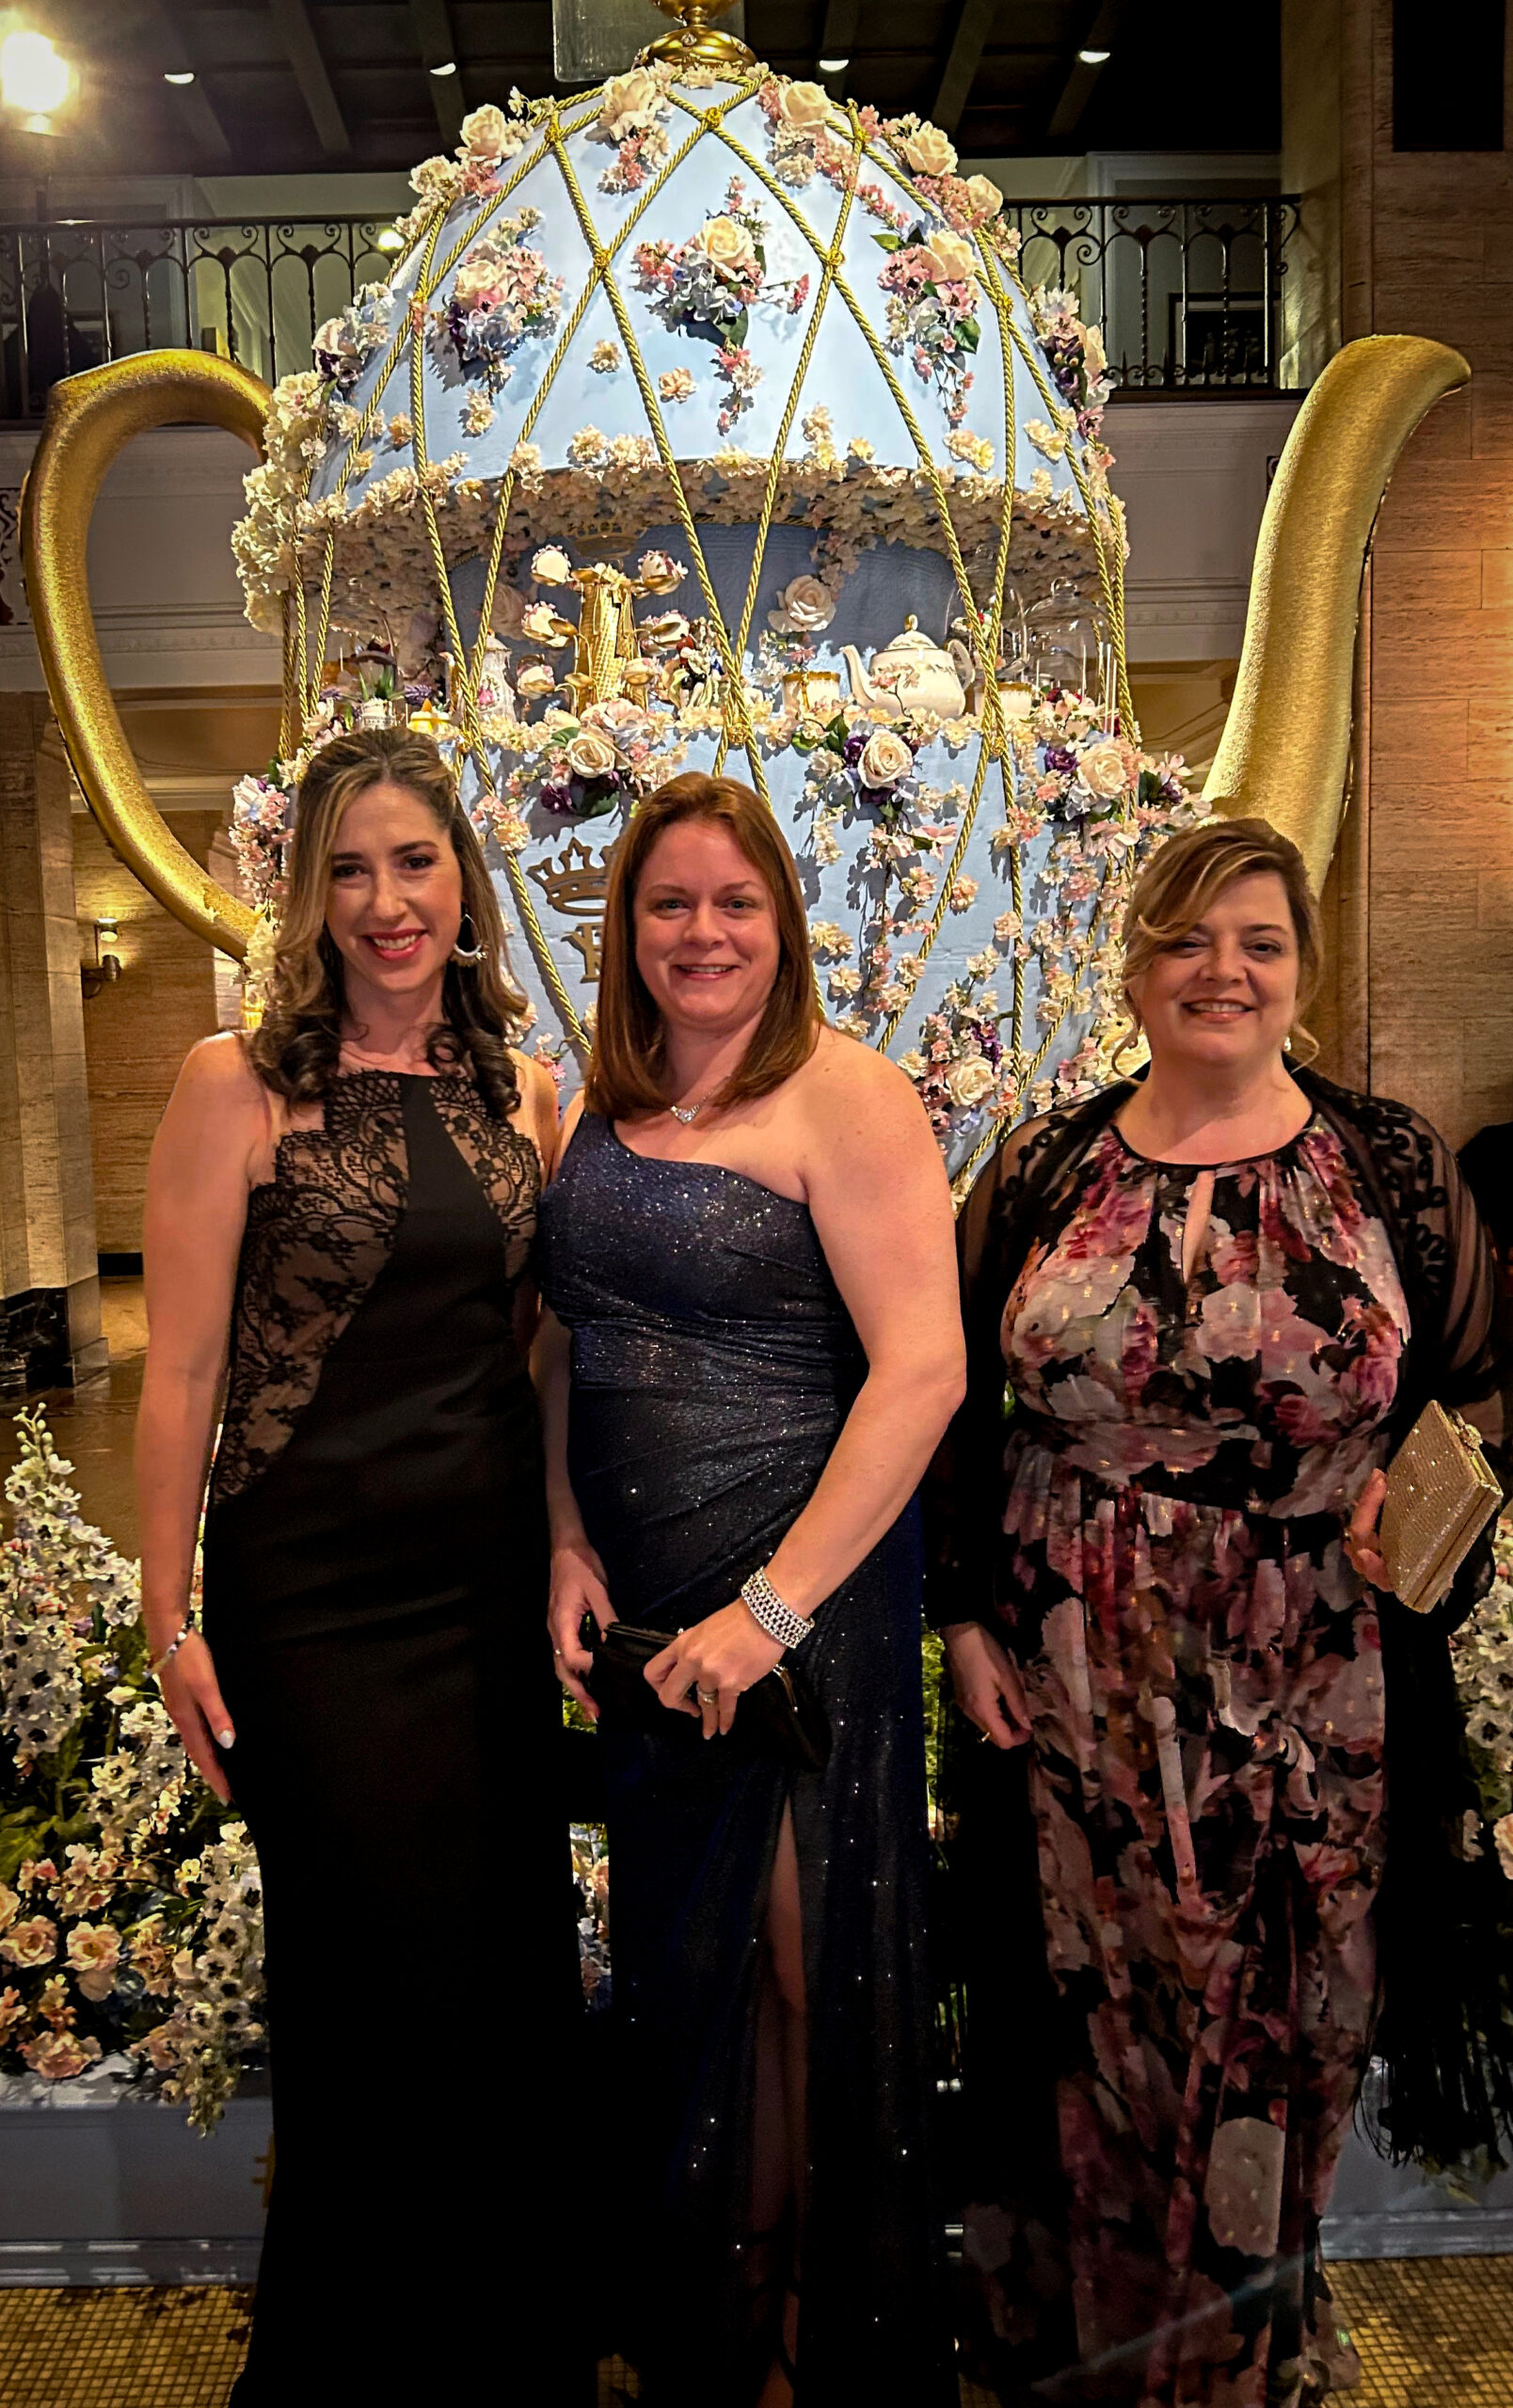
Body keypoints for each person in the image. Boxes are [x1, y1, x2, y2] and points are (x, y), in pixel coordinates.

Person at [927, 814, 1511, 2405]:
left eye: (1258, 941)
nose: (1222, 971)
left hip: (1321, 1669)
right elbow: (954, 1409)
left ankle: (1249, 2358)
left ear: (1302, 971)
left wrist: (1427, 1483)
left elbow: (1484, 1387)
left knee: (1291, 2028)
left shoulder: (1388, 1163)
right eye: (1188, 938)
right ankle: (1093, 2362)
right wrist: (964, 1619)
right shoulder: (1044, 1165)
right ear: (1132, 965)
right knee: (1093, 2035)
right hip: (1075, 1670)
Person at [136, 728, 584, 2400]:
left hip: (475, 1590)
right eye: (349, 868)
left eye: (414, 863)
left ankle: (498, 2356)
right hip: (310, 1602)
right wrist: (166, 1612)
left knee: (495, 1978)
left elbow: (538, 1357)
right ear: (306, 894)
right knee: (366, 1987)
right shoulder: (231, 1085)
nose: (386, 903)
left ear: (462, 879)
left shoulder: (523, 1091)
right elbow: (182, 1370)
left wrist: (557, 1543)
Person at [534, 773, 964, 2407]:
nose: (701, 932)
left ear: (783, 920)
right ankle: (712, 2328)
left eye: (733, 901)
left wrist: (770, 1608)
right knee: (684, 1971)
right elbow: (568, 1343)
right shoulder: (603, 1111)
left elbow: (922, 1368)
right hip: (651, 1629)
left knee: (801, 1964)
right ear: (624, 929)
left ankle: (811, 2340)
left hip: (802, 1610)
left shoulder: (843, 1096)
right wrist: (564, 1536)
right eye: (668, 904)